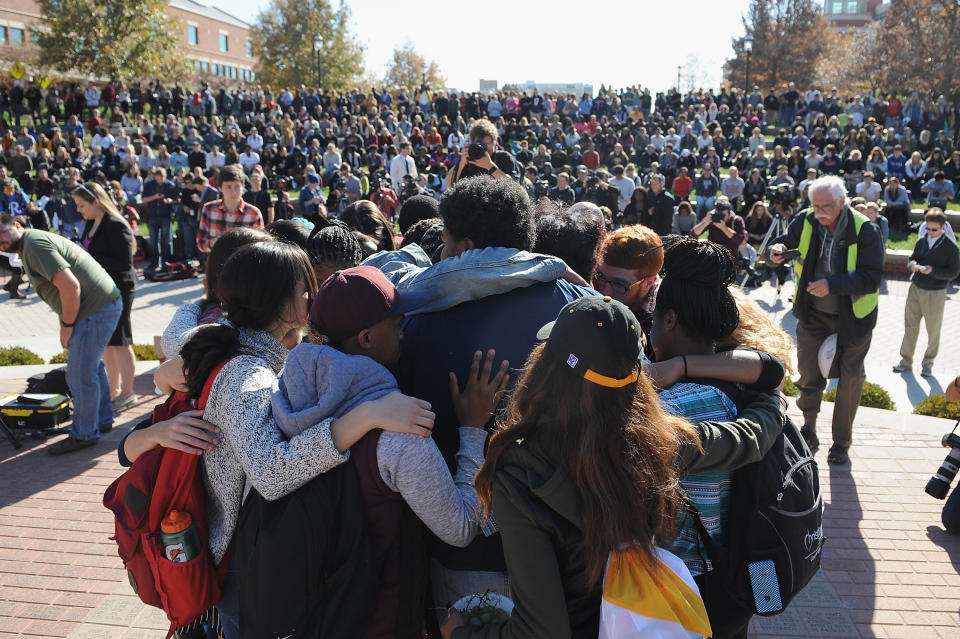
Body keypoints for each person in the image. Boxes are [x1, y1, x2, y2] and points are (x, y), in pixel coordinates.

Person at [440, 296, 786, 638]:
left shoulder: (520, 473)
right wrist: (772, 402)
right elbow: (748, 438)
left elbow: (541, 630)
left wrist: (464, 631)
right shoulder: (658, 444)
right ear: (637, 373)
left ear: (546, 367)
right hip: (636, 622)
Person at [177, 241, 436, 639]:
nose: (311, 296)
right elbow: (270, 472)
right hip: (243, 563)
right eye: (304, 288)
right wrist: (363, 418)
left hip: (253, 553)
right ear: (277, 301)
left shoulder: (257, 354)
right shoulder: (248, 374)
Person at [398, 175, 595, 614]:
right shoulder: (577, 307)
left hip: (466, 552)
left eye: (445, 241)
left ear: (465, 245)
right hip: (567, 544)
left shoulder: (415, 318)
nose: (440, 254)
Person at [276, 267, 507, 639]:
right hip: (379, 618)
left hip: (312, 612)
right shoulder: (398, 429)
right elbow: (460, 527)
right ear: (366, 338)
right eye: (398, 323)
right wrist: (472, 429)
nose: (405, 332)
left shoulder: (284, 395)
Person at [769, 175, 883, 465]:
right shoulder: (806, 219)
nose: (819, 212)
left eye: (826, 206)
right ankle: (808, 429)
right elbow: (787, 241)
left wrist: (832, 285)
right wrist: (779, 249)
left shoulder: (864, 229)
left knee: (850, 380)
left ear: (842, 202)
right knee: (808, 374)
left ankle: (841, 443)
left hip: (854, 319)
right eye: (815, 205)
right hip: (814, 313)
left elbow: (871, 279)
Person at [0, 212, 122, 454]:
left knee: (79, 375)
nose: (0, 241)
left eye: (2, 233)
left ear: (16, 225)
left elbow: (70, 286)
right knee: (92, 367)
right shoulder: (33, 243)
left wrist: (67, 327)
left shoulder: (33, 246)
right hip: (100, 306)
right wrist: (65, 323)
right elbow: (61, 291)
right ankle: (101, 420)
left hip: (94, 310)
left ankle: (84, 434)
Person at [75, 182, 139, 411]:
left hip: (120, 288)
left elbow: (124, 263)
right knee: (108, 344)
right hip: (100, 290)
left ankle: (129, 392)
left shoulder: (114, 224)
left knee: (121, 341)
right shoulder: (91, 223)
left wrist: (89, 258)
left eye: (82, 205)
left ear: (96, 201)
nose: (79, 210)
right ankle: (114, 392)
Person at [893, 209, 960, 377]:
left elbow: (954, 272)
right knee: (910, 326)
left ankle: (928, 364)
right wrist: (913, 265)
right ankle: (905, 361)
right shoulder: (922, 241)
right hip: (915, 288)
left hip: (935, 293)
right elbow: (911, 258)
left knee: (933, 330)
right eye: (928, 228)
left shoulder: (951, 247)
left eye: (934, 229)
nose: (930, 232)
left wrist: (933, 271)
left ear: (943, 227)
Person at [197, 164, 264, 254]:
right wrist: (215, 243)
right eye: (228, 187)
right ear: (220, 188)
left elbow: (261, 248)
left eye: (237, 186)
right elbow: (201, 243)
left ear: (243, 187)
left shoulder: (254, 213)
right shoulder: (209, 209)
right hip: (216, 264)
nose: (234, 192)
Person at [140, 167, 176, 267]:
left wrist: (170, 200)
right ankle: (155, 262)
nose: (160, 180)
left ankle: (166, 262)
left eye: (162, 177)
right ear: (155, 176)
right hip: (153, 216)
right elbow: (143, 199)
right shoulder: (149, 185)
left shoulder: (170, 185)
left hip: (166, 216)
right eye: (159, 177)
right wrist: (155, 197)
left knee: (166, 240)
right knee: (153, 240)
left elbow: (176, 199)